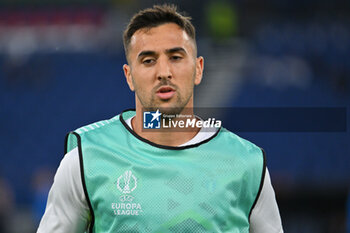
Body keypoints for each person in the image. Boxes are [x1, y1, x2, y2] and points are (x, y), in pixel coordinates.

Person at [37, 4, 283, 233]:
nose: (164, 72)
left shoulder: (246, 163)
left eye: (175, 57)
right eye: (148, 60)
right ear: (129, 76)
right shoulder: (86, 158)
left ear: (198, 69)